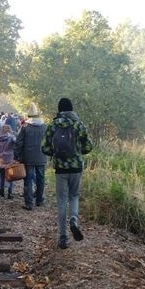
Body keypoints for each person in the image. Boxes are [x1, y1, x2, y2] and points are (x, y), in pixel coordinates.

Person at [41, 97, 93, 249]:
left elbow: (44, 147)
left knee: (62, 201)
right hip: (76, 167)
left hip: (60, 169)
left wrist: (55, 154)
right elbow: (88, 146)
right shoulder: (78, 124)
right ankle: (74, 221)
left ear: (59, 109)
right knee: (74, 196)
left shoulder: (53, 125)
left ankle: (63, 238)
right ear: (71, 109)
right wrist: (78, 151)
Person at [14, 102, 48, 210]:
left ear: (29, 116)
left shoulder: (25, 127)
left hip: (28, 158)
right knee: (40, 178)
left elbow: (18, 143)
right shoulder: (44, 127)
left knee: (28, 179)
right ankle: (39, 200)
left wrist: (17, 156)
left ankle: (29, 203)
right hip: (42, 156)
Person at [0, 124, 17, 199]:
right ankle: (10, 193)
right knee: (11, 176)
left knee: (2, 176)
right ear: (9, 129)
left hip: (1, 159)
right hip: (10, 158)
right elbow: (16, 144)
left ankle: (1, 192)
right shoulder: (12, 137)